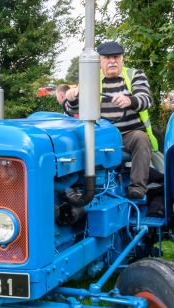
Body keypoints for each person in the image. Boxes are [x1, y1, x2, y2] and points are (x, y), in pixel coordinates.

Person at [64, 41, 155, 199]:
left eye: (116, 57)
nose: (112, 61)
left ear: (122, 59)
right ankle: (75, 188)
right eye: (107, 58)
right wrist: (72, 99)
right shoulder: (90, 80)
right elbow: (72, 111)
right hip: (101, 135)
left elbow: (145, 99)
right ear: (100, 61)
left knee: (141, 138)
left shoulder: (134, 75)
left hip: (128, 134)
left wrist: (130, 100)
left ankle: (137, 188)